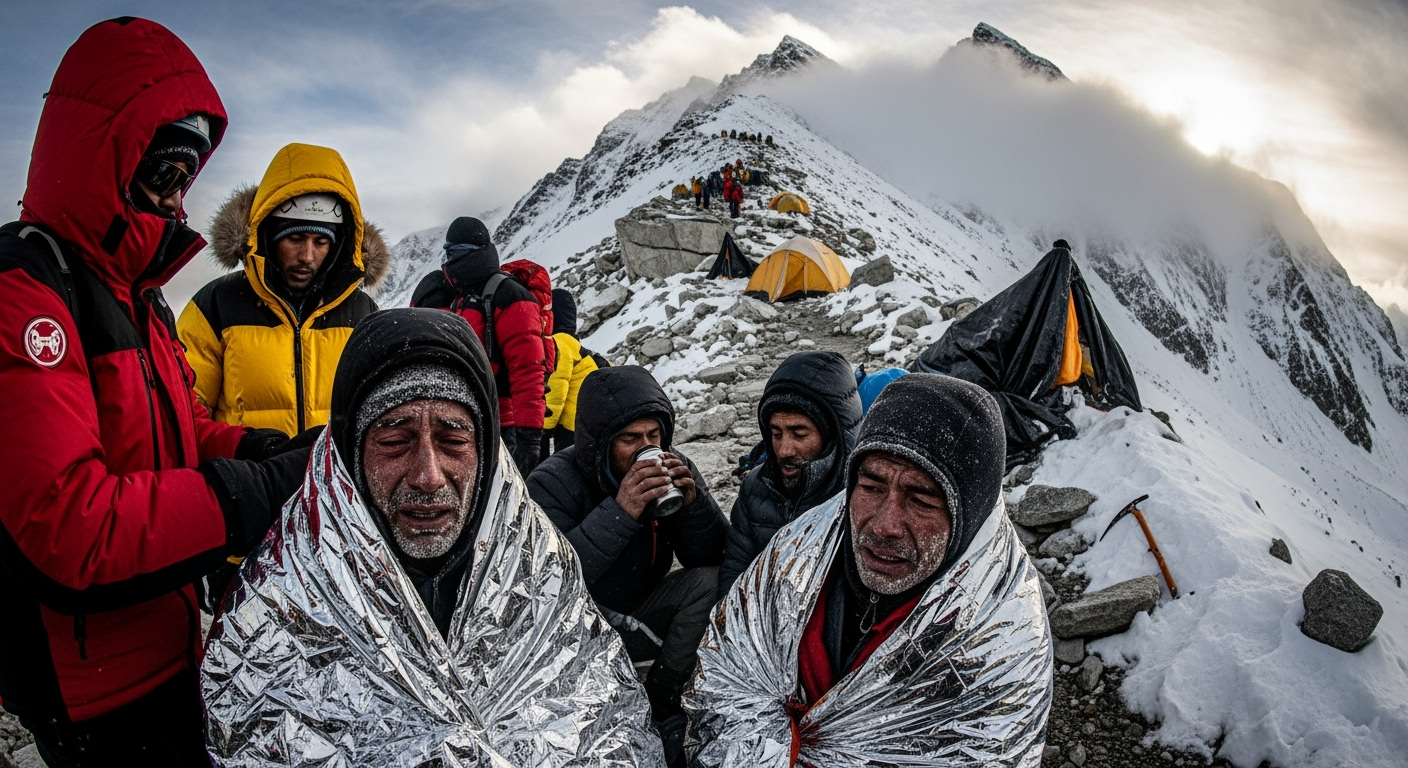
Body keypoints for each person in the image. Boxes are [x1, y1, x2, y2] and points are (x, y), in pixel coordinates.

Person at [0, 19, 313, 766]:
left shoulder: (137, 294)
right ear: (100, 155)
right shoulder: (27, 293)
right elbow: (67, 528)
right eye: (161, 175)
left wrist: (254, 448)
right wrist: (247, 493)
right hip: (89, 688)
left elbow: (178, 432)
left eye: (183, 180)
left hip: (169, 640)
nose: (175, 202)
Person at [203, 308, 662, 766]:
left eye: (453, 440)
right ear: (351, 455)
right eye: (394, 441)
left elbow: (603, 725)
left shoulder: (539, 563)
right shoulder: (287, 597)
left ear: (485, 455)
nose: (428, 476)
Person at [685, 374, 1053, 766]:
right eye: (872, 487)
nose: (883, 525)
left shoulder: (999, 642)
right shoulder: (799, 553)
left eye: (921, 500)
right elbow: (727, 669)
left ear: (970, 512)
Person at [526, 366, 726, 762]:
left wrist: (693, 506)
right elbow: (551, 583)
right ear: (600, 443)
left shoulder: (672, 464)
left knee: (710, 581)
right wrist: (621, 510)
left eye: (653, 436)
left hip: (644, 605)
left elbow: (714, 556)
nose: (645, 447)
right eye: (629, 439)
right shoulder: (551, 482)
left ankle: (664, 692)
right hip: (579, 627)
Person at [178, 143, 387, 436]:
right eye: (295, 239)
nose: (307, 256)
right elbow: (184, 413)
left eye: (321, 242)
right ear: (268, 236)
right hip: (247, 478)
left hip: (333, 482)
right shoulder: (215, 306)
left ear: (337, 246)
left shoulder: (365, 314)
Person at [718, 352, 862, 598]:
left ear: (831, 436)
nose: (784, 450)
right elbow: (735, 571)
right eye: (776, 434)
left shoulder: (862, 494)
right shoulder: (756, 487)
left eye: (799, 434)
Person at [411, 216, 546, 477]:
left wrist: (529, 439)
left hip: (504, 427)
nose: (452, 258)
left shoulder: (509, 294)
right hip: (459, 420)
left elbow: (528, 371)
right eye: (449, 252)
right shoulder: (455, 293)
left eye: (458, 252)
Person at [543, 288, 608, 458]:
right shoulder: (575, 344)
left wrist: (543, 429)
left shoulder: (560, 342)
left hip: (572, 424)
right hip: (590, 419)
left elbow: (557, 388)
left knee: (567, 466)